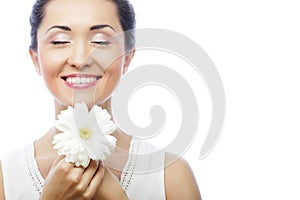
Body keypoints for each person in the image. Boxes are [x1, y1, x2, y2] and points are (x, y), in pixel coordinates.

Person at [0, 0, 202, 199]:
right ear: (35, 58)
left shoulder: (170, 175)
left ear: (127, 58)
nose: (80, 60)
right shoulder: (6, 177)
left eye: (100, 41)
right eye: (60, 40)